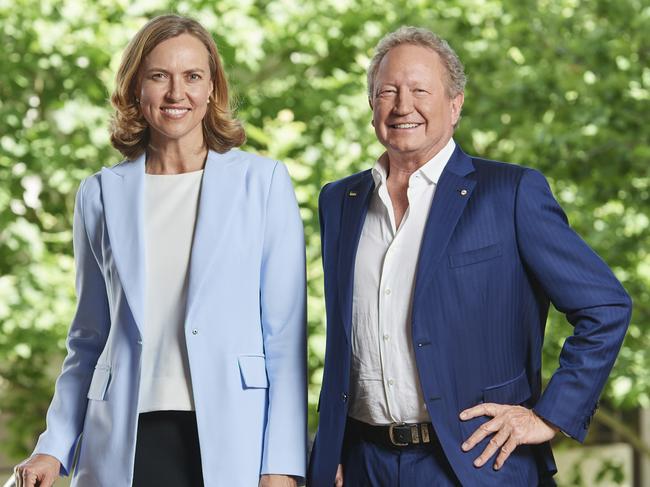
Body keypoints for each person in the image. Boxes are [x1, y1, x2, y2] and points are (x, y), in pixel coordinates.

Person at [307, 26, 631, 486]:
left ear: (455, 104)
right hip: (362, 466)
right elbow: (346, 341)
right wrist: (331, 450)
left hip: (474, 465)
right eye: (388, 92)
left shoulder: (510, 193)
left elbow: (606, 306)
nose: (403, 106)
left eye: (421, 90)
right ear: (372, 104)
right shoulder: (340, 201)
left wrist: (548, 417)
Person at [13, 14, 306, 487]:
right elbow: (89, 338)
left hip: (234, 434)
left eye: (192, 77)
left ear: (212, 88)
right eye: (158, 76)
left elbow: (285, 339)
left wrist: (282, 466)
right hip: (123, 438)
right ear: (135, 89)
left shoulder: (263, 184)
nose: (177, 94)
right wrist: (53, 445)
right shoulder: (100, 194)